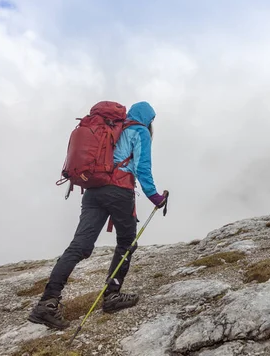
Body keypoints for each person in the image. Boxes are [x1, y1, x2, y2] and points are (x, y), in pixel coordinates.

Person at [28, 101, 168, 330]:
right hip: (119, 192)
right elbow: (143, 167)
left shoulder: (113, 127)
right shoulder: (139, 131)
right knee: (126, 243)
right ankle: (112, 295)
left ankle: (47, 302)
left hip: (92, 190)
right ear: (149, 120)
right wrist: (155, 198)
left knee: (79, 246)